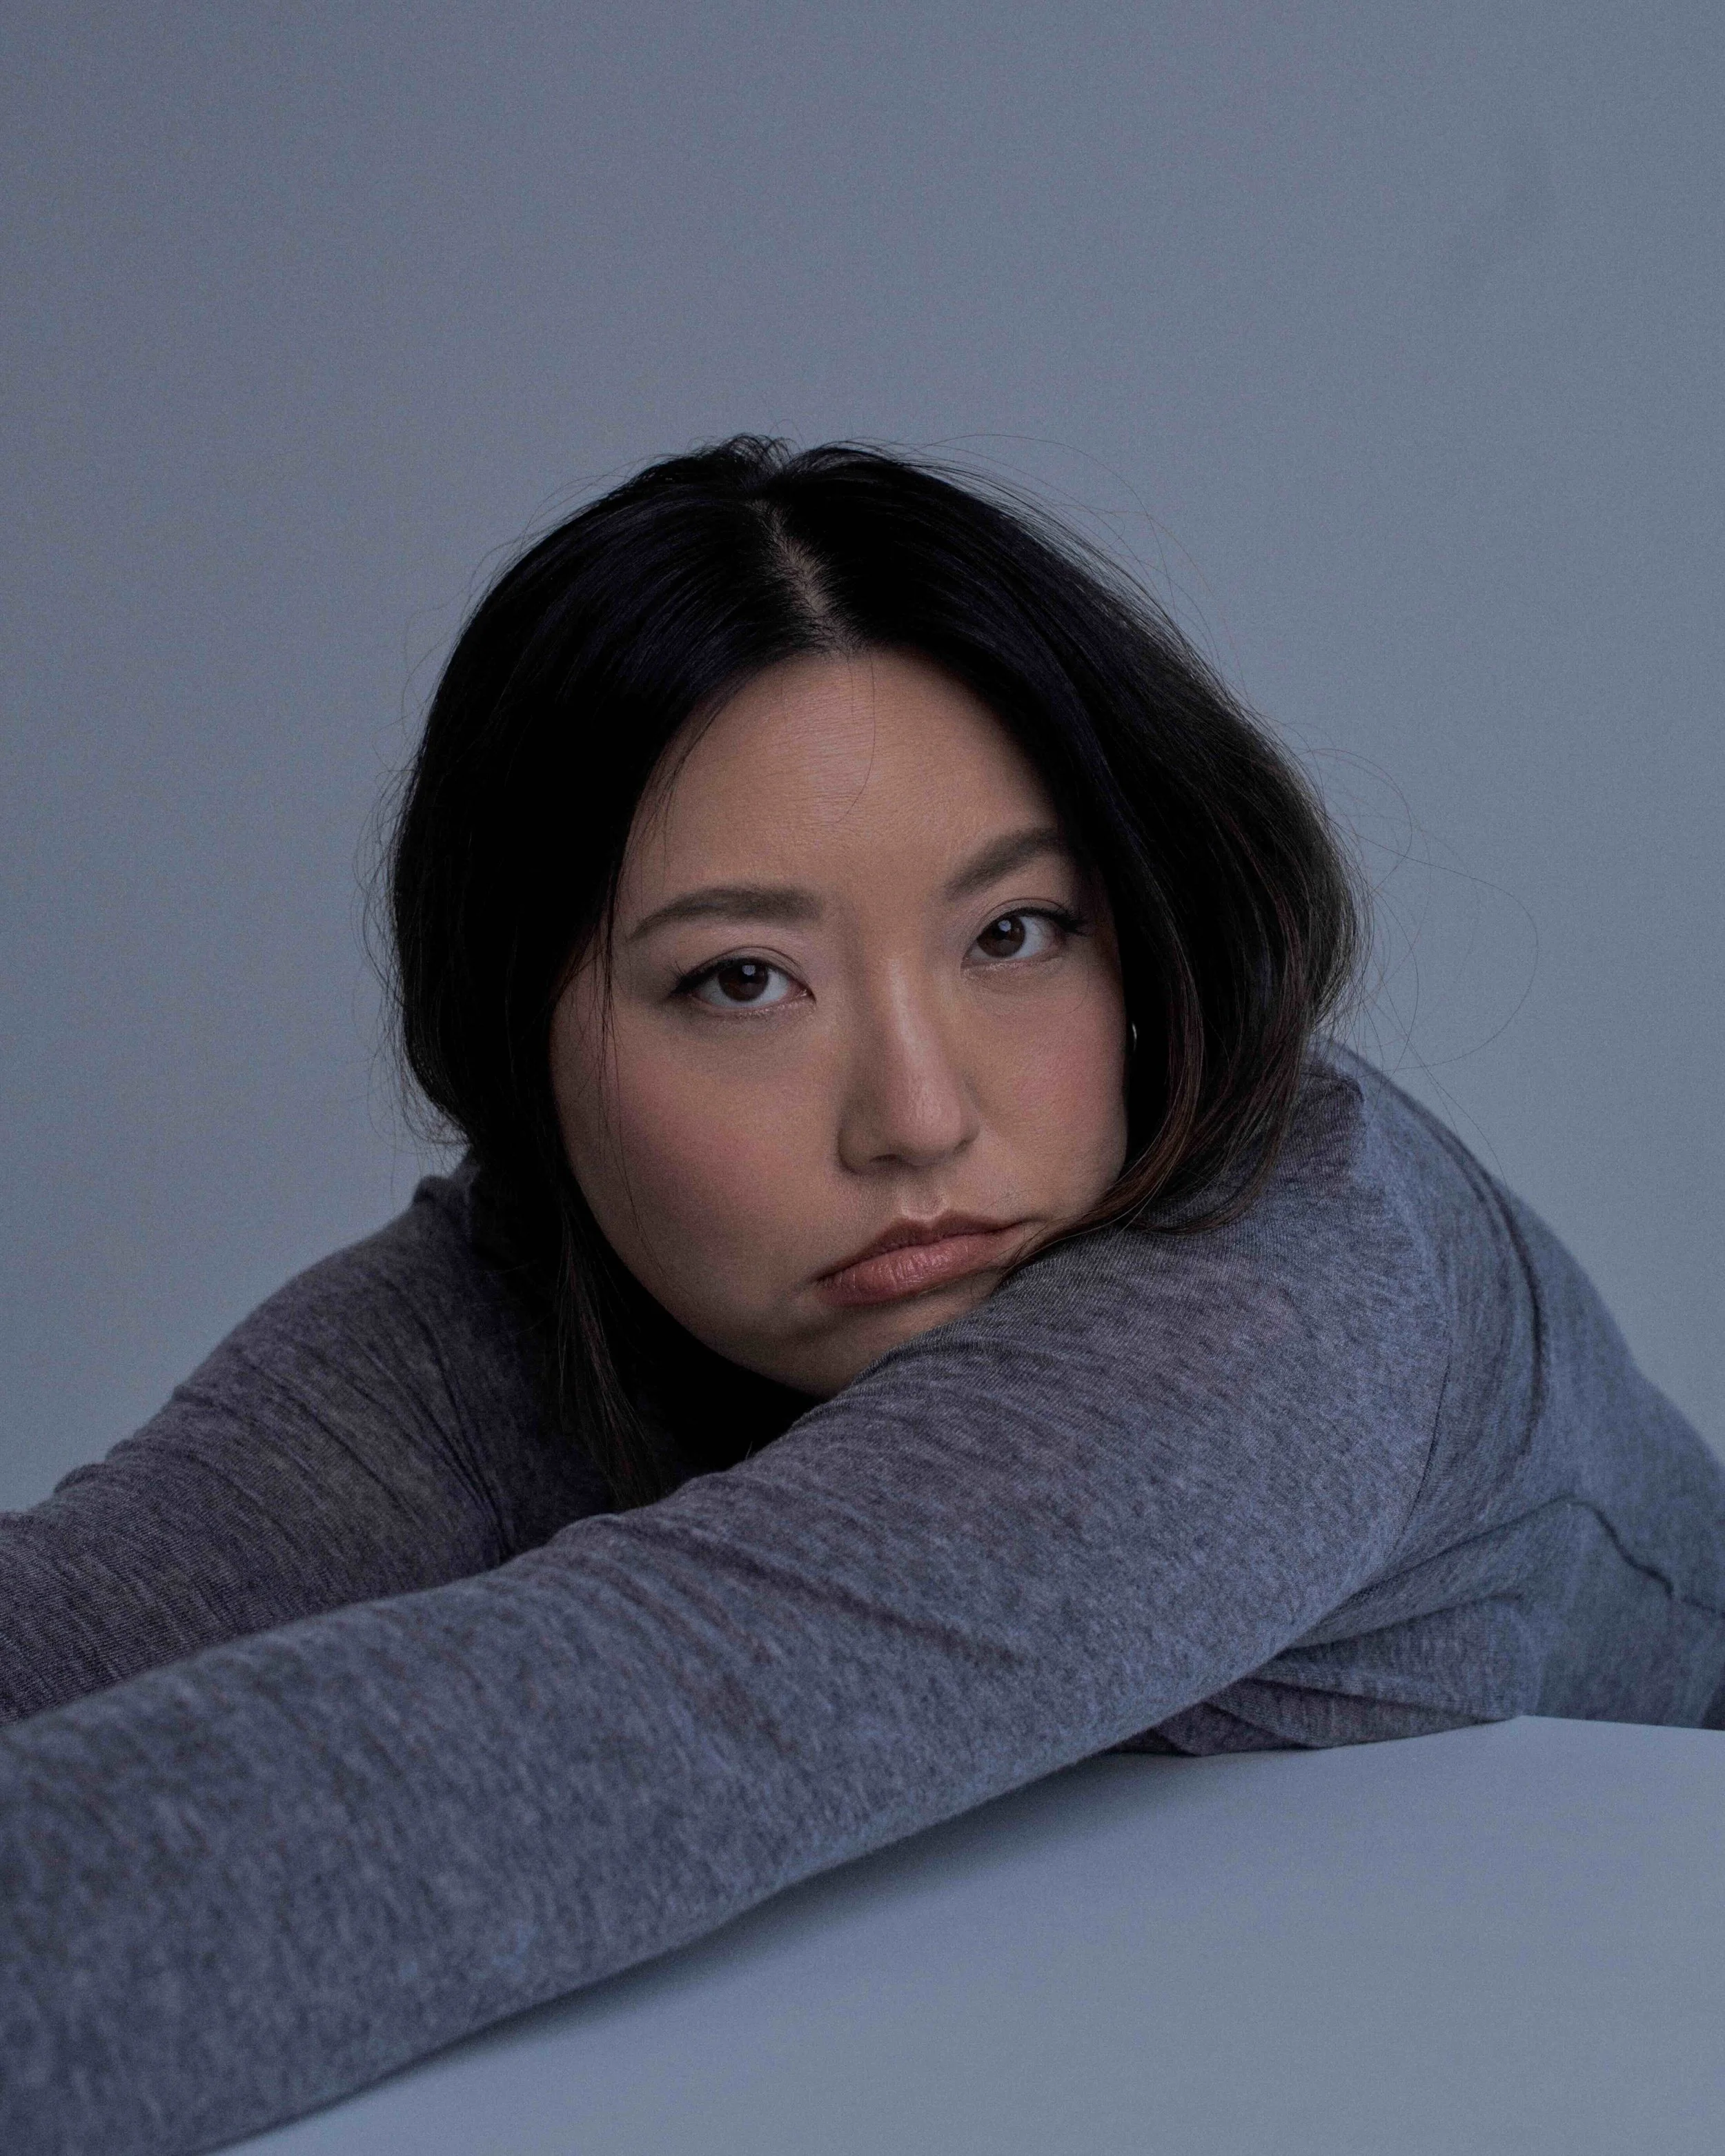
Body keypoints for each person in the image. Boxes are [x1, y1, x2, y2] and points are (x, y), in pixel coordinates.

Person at [3, 438, 1722, 2156]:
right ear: (520, 1040)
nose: (915, 1113)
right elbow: (68, 1624)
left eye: (1014, 932)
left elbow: (547, 1746)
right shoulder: (524, 1287)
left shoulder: (1274, 1310)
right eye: (741, 978)